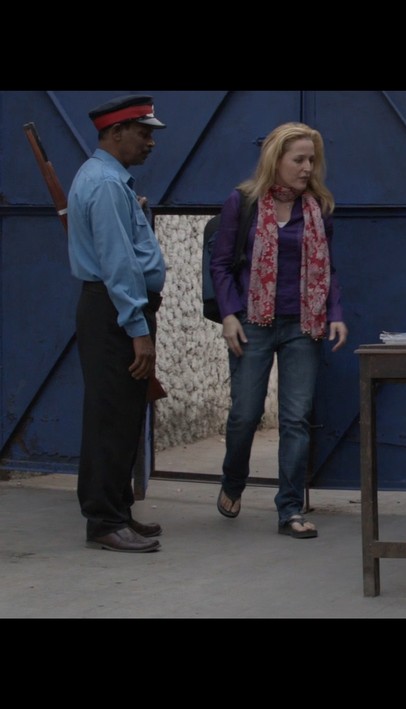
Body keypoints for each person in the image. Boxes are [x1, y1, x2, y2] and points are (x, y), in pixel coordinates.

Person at [209, 122, 348, 539]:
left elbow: (328, 267)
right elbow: (220, 264)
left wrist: (334, 312)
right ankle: (234, 479)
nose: (308, 168)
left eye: (312, 160)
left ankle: (289, 508)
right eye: (299, 160)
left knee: (295, 418)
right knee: (245, 414)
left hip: (303, 324)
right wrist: (229, 315)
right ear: (276, 160)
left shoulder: (318, 207)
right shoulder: (243, 202)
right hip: (252, 321)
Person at [67, 95, 168, 553]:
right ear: (115, 133)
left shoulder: (109, 181)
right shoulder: (107, 184)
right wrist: (138, 329)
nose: (150, 142)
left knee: (123, 414)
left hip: (113, 309)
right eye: (143, 133)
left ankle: (118, 511)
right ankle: (104, 520)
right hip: (115, 310)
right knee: (111, 417)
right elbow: (118, 265)